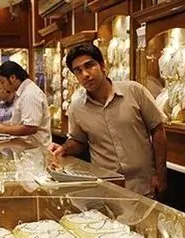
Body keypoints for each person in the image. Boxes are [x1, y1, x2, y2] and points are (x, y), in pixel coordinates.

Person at [49, 44, 167, 198]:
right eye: (78, 71)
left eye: (89, 65)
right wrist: (64, 149)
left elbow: (158, 130)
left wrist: (161, 174)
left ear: (103, 65)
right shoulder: (77, 108)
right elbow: (78, 141)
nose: (85, 74)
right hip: (106, 189)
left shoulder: (134, 92)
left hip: (143, 186)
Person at [0, 61, 51, 146]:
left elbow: (30, 128)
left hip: (34, 149)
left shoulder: (29, 94)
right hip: (25, 147)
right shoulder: (21, 93)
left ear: (13, 78)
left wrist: (2, 129)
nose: (3, 86)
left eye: (3, 82)